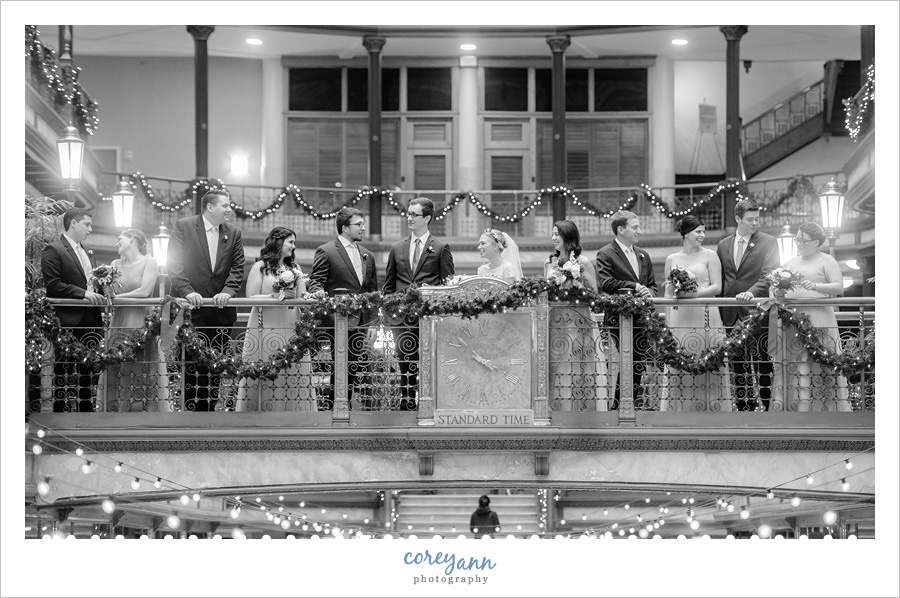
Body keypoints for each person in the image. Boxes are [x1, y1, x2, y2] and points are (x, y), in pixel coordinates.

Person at [166, 190, 245, 412]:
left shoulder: (234, 233)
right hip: (192, 311)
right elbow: (173, 263)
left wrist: (228, 291)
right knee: (192, 365)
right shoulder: (185, 226)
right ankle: (190, 414)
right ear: (210, 207)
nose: (229, 209)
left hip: (220, 314)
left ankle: (210, 413)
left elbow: (238, 268)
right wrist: (187, 291)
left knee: (215, 366)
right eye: (225, 205)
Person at [768, 222, 850, 412]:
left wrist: (815, 286)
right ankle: (794, 407)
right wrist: (776, 290)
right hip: (792, 321)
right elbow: (778, 286)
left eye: (803, 240)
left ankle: (826, 409)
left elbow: (839, 287)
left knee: (821, 364)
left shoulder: (826, 260)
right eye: (797, 239)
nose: (799, 243)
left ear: (816, 242)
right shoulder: (791, 262)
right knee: (795, 363)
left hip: (818, 319)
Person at [382, 197, 455, 410]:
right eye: (408, 214)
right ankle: (406, 402)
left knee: (429, 361)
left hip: (428, 317)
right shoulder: (397, 248)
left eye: (414, 215)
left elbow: (448, 286)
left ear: (427, 218)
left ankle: (430, 402)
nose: (409, 218)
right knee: (404, 361)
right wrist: (389, 315)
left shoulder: (441, 248)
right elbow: (389, 285)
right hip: (401, 318)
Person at [307, 207, 379, 410]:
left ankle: (344, 406)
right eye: (359, 224)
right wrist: (318, 291)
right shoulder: (327, 250)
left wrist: (374, 323)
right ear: (345, 228)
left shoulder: (368, 255)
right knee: (339, 365)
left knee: (353, 365)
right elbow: (316, 281)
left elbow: (371, 293)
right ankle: (334, 409)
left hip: (361, 322)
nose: (363, 228)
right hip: (336, 320)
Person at [236, 226, 314, 412]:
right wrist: (275, 295)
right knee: (266, 363)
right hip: (265, 323)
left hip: (290, 322)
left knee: (291, 366)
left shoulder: (295, 269)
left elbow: (302, 297)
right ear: (279, 242)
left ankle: (293, 413)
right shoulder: (260, 267)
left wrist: (309, 298)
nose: (293, 247)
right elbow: (251, 297)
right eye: (291, 242)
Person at [661, 216, 731, 412]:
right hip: (680, 318)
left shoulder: (710, 255)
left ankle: (711, 409)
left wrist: (693, 294)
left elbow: (717, 287)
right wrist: (667, 322)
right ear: (685, 234)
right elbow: (668, 292)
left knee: (707, 358)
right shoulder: (671, 259)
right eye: (698, 231)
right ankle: (680, 410)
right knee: (680, 359)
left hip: (706, 314)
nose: (703, 235)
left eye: (703, 231)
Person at [41, 207, 106, 412]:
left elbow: (91, 282)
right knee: (64, 368)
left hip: (91, 319)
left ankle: (87, 411)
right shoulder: (54, 249)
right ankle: (61, 411)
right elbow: (53, 284)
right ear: (73, 223)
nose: (90, 229)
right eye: (87, 224)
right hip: (68, 319)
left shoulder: (88, 251)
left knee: (88, 370)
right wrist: (83, 293)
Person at [716, 199, 779, 412]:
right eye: (750, 219)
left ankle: (768, 408)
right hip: (731, 314)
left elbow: (769, 274)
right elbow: (723, 278)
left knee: (762, 362)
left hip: (757, 312)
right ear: (738, 219)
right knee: (738, 364)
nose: (754, 223)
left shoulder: (768, 242)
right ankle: (744, 407)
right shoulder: (723, 245)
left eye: (756, 219)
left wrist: (750, 293)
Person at [596, 210, 658, 410]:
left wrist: (649, 292)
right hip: (618, 318)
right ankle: (618, 406)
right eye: (635, 227)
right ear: (620, 229)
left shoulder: (643, 255)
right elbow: (606, 283)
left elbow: (652, 285)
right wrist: (634, 286)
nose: (639, 230)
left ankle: (627, 404)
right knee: (623, 361)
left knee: (637, 363)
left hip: (641, 319)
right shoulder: (605, 253)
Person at [544, 220, 608, 411]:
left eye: (557, 234)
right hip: (555, 319)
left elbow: (593, 294)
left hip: (578, 319)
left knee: (578, 362)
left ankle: (583, 408)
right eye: (553, 233)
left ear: (567, 236)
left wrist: (575, 283)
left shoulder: (584, 262)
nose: (553, 238)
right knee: (557, 362)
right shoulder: (549, 262)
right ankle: (557, 408)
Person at [105, 229, 170, 412]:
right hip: (119, 320)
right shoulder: (114, 264)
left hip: (140, 320)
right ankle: (118, 410)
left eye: (120, 239)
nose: (116, 243)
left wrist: (117, 298)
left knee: (145, 369)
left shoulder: (150, 262)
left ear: (132, 239)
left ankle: (145, 410)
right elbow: (111, 293)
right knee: (119, 367)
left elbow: (144, 291)